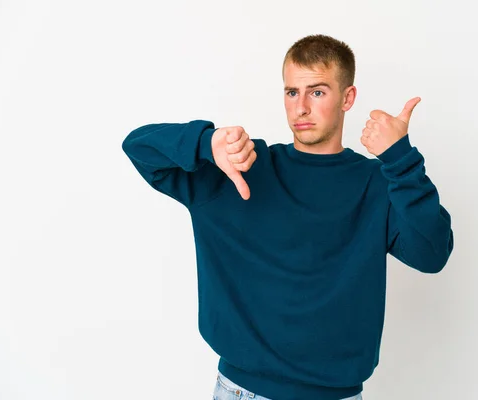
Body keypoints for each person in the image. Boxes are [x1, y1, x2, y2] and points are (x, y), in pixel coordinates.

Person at [122, 34, 454, 400]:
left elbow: (431, 253)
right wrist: (205, 143)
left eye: (317, 92)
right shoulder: (240, 166)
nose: (301, 108)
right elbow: (139, 147)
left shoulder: (377, 182)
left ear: (348, 98)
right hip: (242, 390)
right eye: (292, 92)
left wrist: (400, 159)